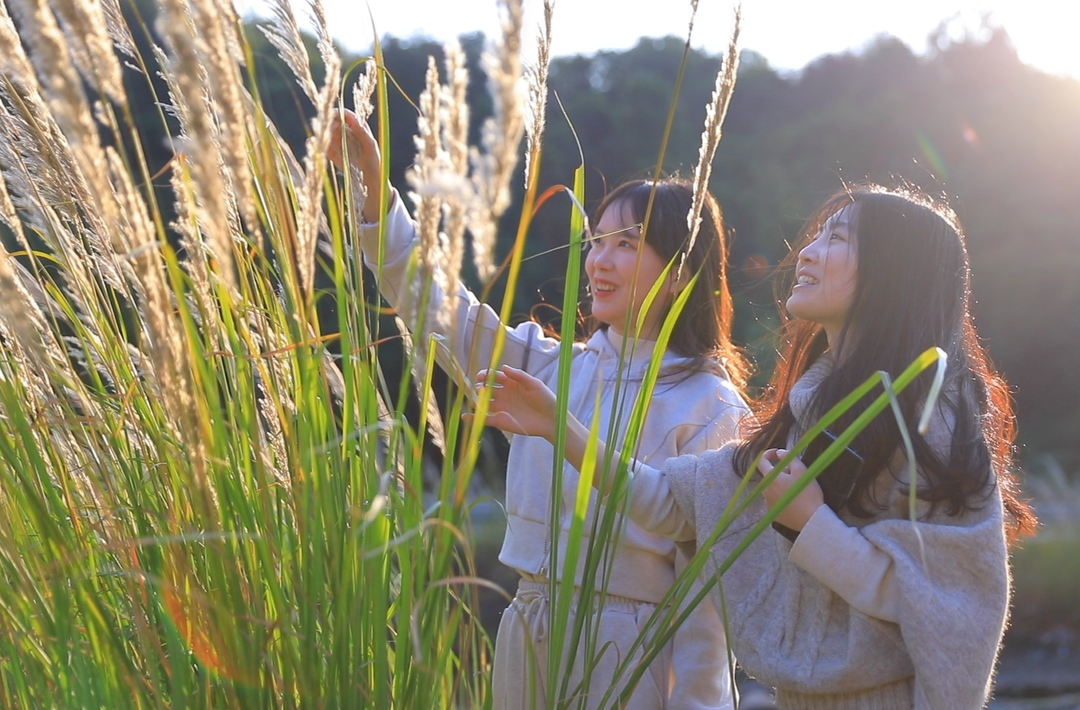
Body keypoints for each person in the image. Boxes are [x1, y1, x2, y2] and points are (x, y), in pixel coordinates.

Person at [479, 182, 1038, 709]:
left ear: (895, 272)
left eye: (836, 238)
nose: (807, 253)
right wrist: (559, 426)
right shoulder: (808, 414)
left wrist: (811, 524)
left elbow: (943, 606)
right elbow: (673, 506)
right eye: (816, 235)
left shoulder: (928, 420)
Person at [329, 109, 752, 709]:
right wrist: (374, 190)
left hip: (631, 651)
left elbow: (706, 593)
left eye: (626, 245)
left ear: (681, 272)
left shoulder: (711, 404)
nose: (599, 262)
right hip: (527, 627)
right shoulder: (547, 365)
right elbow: (435, 303)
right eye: (595, 242)